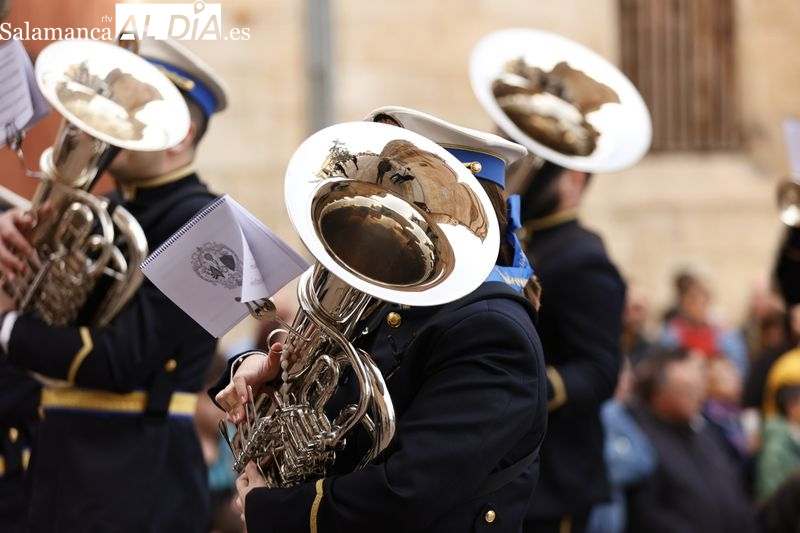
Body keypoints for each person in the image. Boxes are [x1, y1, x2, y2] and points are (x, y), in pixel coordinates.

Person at [212, 106, 548, 532]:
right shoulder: (387, 298)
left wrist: (277, 511)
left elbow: (410, 488)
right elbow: (324, 406)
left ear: (458, 210)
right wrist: (267, 376)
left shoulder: (492, 330)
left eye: (397, 190)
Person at [0, 37, 228, 532]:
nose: (108, 120)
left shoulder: (213, 225)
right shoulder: (109, 209)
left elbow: (121, 359)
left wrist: (9, 328)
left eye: (131, 106)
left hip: (135, 474)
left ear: (180, 131)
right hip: (60, 461)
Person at [625, 347, 759, 533]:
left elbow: (734, 493)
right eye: (689, 389)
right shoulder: (640, 441)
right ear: (659, 392)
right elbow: (647, 515)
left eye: (699, 387)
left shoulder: (701, 432)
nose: (700, 395)